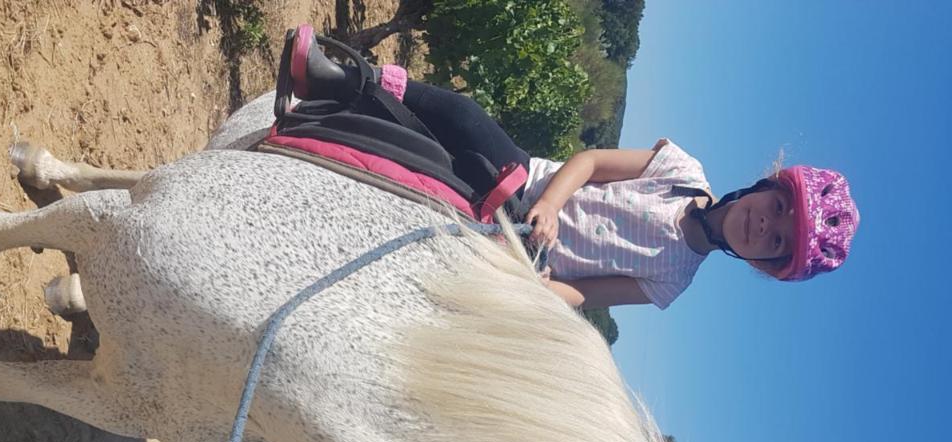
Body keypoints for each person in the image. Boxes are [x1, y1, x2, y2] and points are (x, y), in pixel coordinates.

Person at [284, 25, 860, 310]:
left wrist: (539, 288)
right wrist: (550, 206)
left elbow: (588, 295)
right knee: (461, 111)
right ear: (765, 186)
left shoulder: (672, 282)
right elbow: (587, 162)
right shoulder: (681, 169)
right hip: (529, 186)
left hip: (525, 256)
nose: (766, 225)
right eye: (778, 208)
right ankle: (335, 78)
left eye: (777, 241)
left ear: (763, 263)